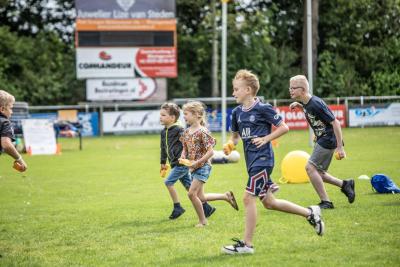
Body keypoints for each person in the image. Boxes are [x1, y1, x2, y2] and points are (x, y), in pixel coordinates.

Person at [222, 70, 324, 255]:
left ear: (248, 90)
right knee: (269, 203)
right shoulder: (237, 112)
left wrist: (266, 138)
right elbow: (235, 137)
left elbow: (284, 127)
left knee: (247, 198)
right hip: (251, 163)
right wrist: (230, 145)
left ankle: (247, 245)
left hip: (263, 161)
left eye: (236, 89)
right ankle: (311, 213)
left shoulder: (263, 108)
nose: (233, 93)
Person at [288, 75, 355, 209]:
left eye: (293, 88)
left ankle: (326, 202)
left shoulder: (316, 103)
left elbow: (335, 123)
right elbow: (311, 114)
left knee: (310, 168)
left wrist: (340, 147)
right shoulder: (306, 103)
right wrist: (300, 106)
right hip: (322, 138)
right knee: (318, 173)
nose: (290, 90)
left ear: (302, 90)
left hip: (328, 139)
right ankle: (345, 184)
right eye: (290, 88)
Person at [180, 101, 239, 227]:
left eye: (186, 114)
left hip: (203, 167)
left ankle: (203, 221)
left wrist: (198, 162)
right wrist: (183, 157)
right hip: (194, 167)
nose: (184, 116)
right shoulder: (186, 132)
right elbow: (185, 148)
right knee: (201, 197)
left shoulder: (203, 132)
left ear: (197, 115)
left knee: (191, 194)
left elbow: (211, 152)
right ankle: (225, 196)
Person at [159, 103, 215, 219]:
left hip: (182, 164)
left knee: (168, 182)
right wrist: (163, 162)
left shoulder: (180, 129)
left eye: (163, 115)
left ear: (172, 117)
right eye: (160, 115)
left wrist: (189, 158)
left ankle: (177, 207)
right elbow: (163, 148)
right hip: (175, 163)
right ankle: (206, 208)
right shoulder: (163, 132)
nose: (160, 117)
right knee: (190, 188)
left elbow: (190, 141)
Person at [0, 90, 27, 171]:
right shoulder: (4, 122)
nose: (12, 112)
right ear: (2, 109)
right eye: (11, 108)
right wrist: (19, 159)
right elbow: (6, 144)